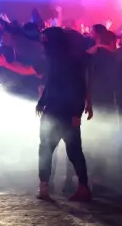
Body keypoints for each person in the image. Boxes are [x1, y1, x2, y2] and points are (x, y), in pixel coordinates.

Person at [35, 27, 93, 202]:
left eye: (45, 40)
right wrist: (42, 101)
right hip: (55, 111)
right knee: (52, 149)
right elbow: (51, 83)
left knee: (66, 150)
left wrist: (76, 112)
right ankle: (46, 185)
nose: (42, 44)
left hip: (64, 112)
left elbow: (78, 87)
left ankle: (81, 187)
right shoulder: (56, 59)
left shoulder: (68, 61)